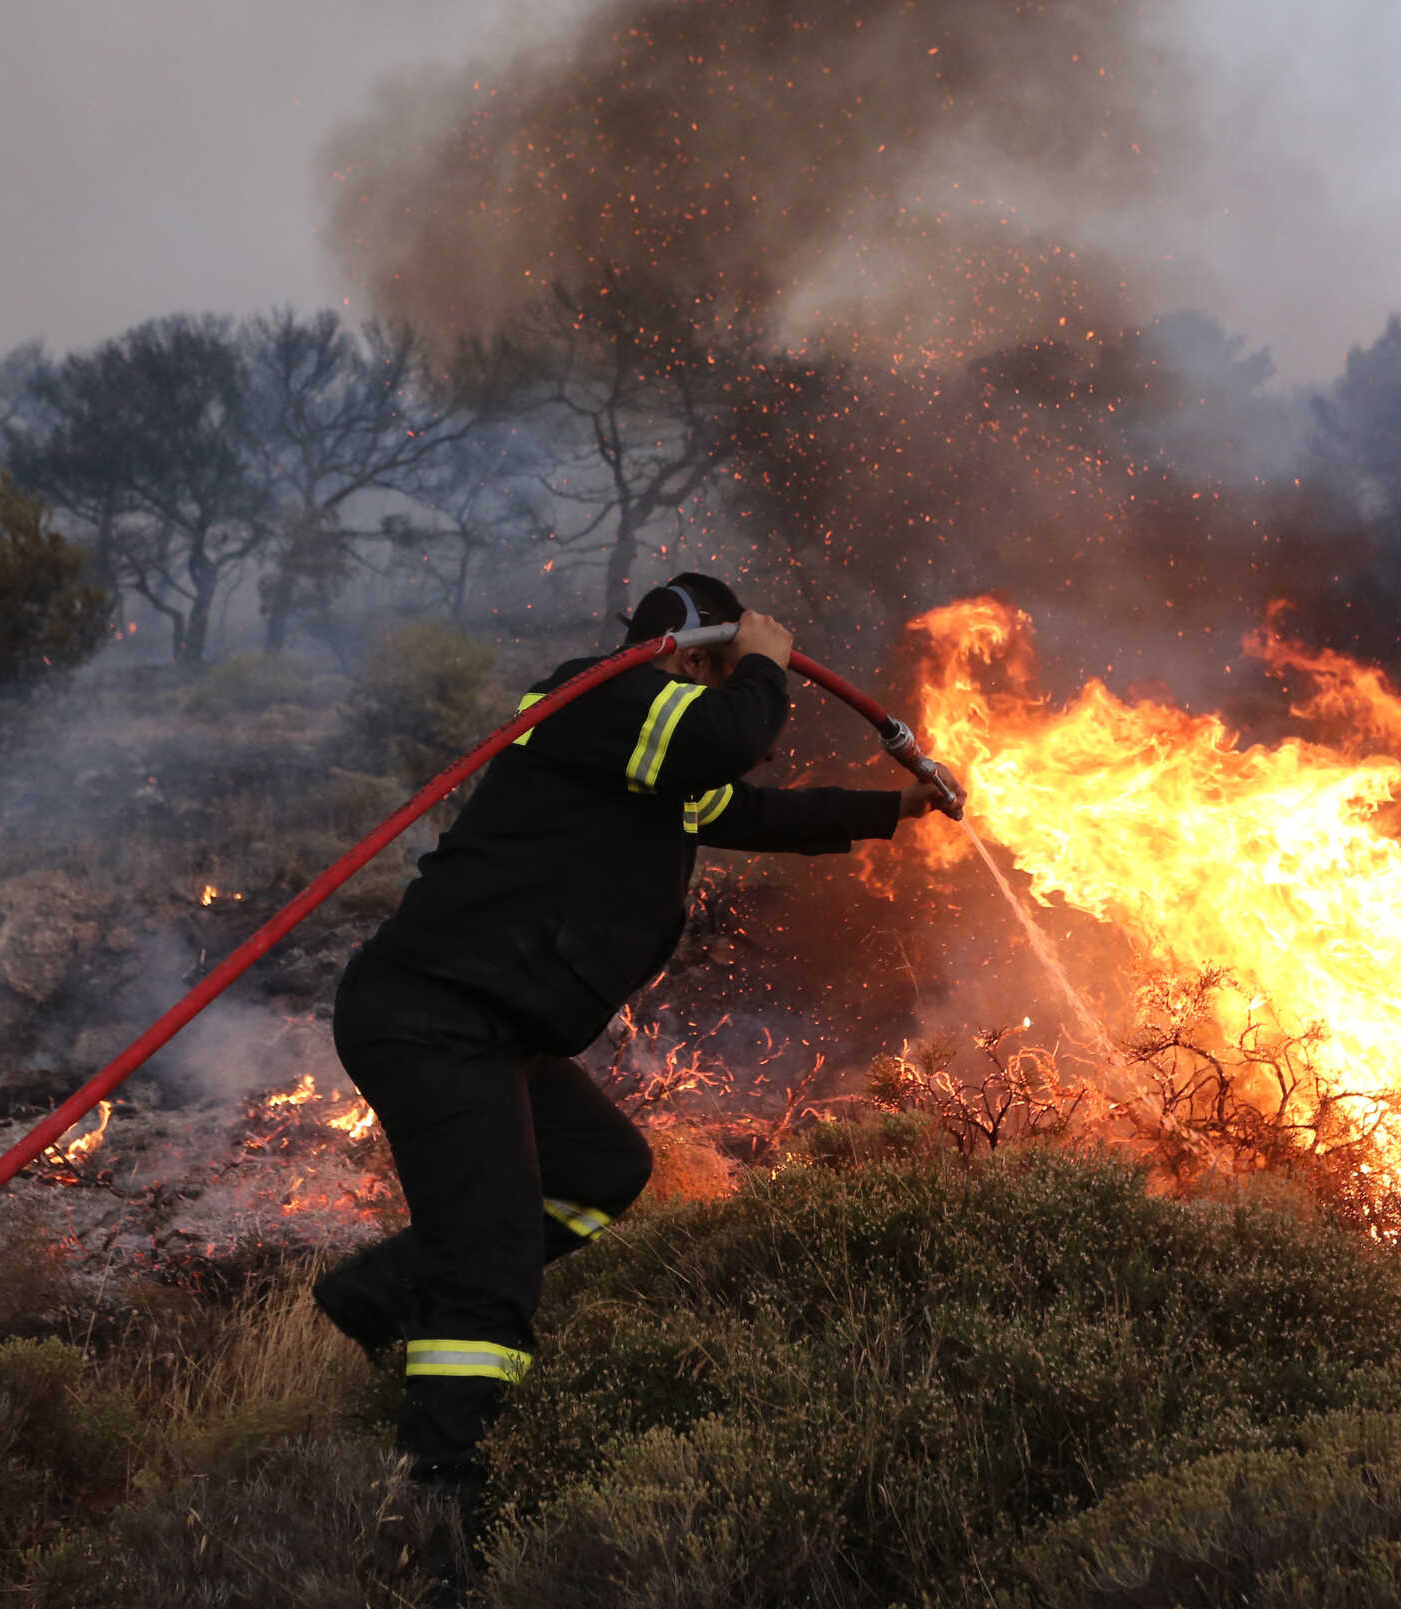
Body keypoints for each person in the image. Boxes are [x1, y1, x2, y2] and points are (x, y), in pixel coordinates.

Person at [316, 572, 942, 1497]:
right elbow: (728, 737)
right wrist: (766, 663)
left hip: (491, 1024)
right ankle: (436, 1497)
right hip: (433, 1016)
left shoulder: (647, 766)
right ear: (687, 657)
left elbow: (761, 811)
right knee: (491, 1272)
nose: (737, 687)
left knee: (602, 1171)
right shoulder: (600, 697)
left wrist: (899, 810)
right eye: (723, 669)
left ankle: (373, 1297)